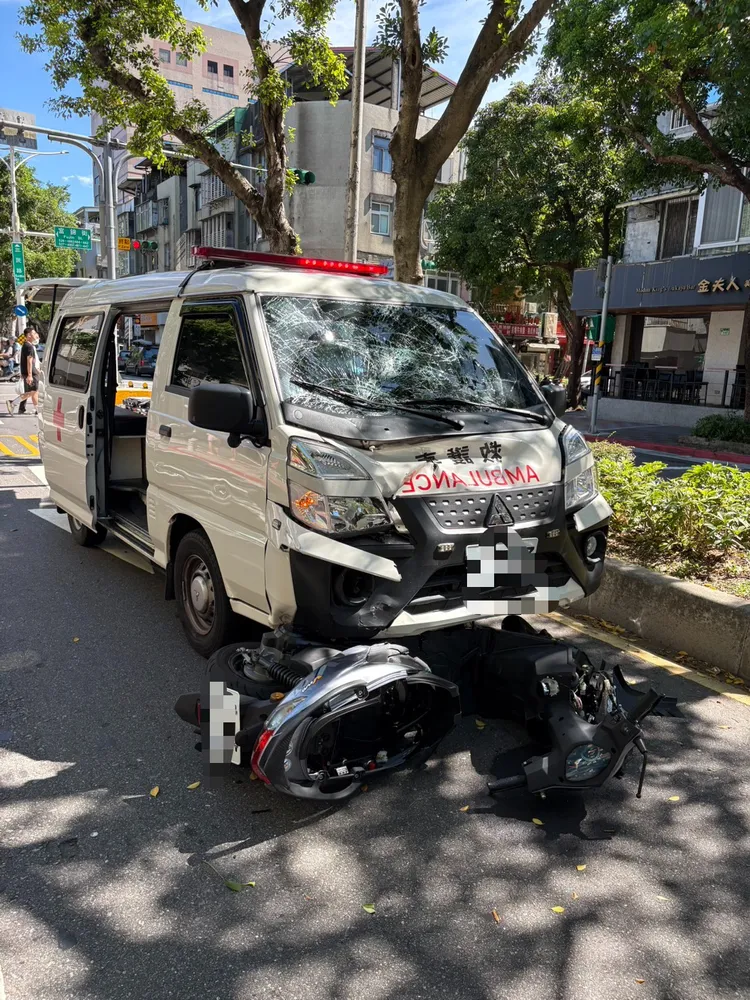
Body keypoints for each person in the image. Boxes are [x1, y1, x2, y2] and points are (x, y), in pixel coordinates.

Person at [6, 329, 40, 416]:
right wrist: (30, 375)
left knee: (34, 392)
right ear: (29, 335)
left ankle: (38, 411)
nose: (36, 335)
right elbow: (29, 361)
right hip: (31, 373)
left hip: (32, 372)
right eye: (34, 333)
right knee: (33, 392)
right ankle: (13, 403)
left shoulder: (27, 345)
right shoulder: (28, 346)